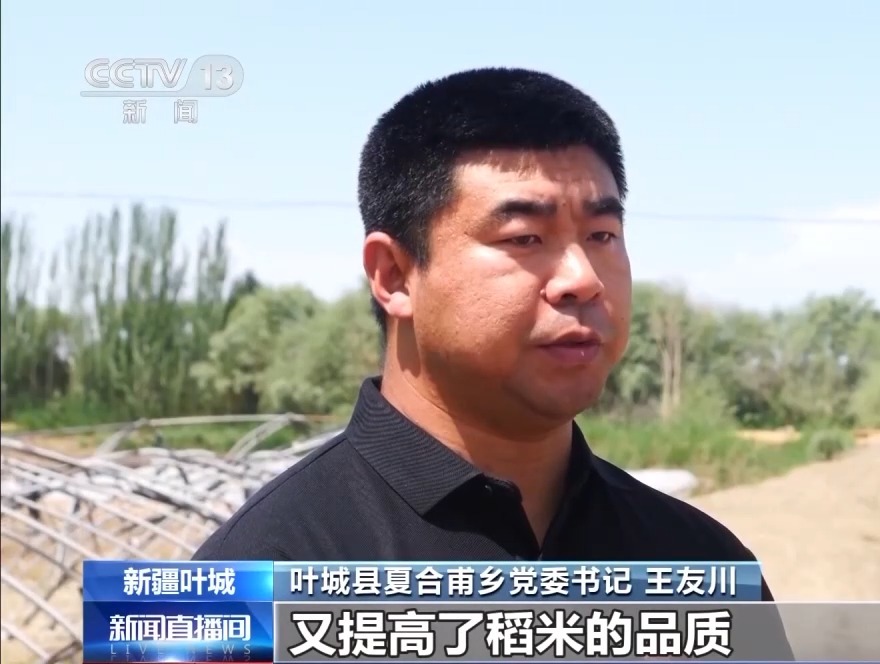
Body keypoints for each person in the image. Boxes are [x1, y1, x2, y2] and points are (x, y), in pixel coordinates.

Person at [192, 67, 782, 604]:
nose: (582, 279)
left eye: (601, 235)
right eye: (525, 238)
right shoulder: (251, 582)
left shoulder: (700, 567)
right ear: (394, 275)